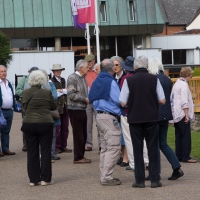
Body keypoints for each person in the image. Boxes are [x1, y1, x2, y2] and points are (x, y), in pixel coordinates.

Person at [120, 56, 166, 188]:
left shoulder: (129, 80)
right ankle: (154, 179)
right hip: (151, 118)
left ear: (134, 67)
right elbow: (162, 100)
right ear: (146, 67)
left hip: (135, 118)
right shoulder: (154, 79)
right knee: (152, 149)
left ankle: (139, 180)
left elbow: (122, 101)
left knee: (137, 149)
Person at [148, 57, 184, 180]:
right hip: (165, 114)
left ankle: (155, 172)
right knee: (163, 143)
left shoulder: (152, 79)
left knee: (154, 145)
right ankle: (176, 167)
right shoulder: (167, 79)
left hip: (155, 115)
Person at [89, 59, 122, 186]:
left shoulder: (96, 80)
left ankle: (104, 174)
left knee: (105, 147)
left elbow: (91, 97)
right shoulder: (110, 82)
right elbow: (119, 100)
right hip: (109, 117)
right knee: (113, 147)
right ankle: (107, 177)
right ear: (112, 69)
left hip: (99, 116)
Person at [21, 70, 57, 186]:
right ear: (43, 80)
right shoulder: (46, 92)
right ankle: (45, 179)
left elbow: (24, 106)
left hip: (29, 123)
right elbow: (53, 106)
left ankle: (33, 179)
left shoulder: (25, 92)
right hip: (45, 123)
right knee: (45, 151)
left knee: (32, 152)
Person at [119, 56, 149, 171]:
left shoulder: (126, 79)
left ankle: (133, 163)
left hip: (128, 112)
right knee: (145, 138)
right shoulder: (147, 78)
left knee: (130, 139)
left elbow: (122, 100)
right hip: (145, 112)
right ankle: (146, 160)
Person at [170, 67, 197, 163]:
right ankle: (186, 156)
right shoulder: (184, 85)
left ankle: (179, 155)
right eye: (191, 75)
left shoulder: (177, 83)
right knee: (185, 135)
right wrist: (186, 115)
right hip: (182, 114)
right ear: (188, 75)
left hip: (175, 113)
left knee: (179, 135)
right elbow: (184, 101)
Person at [67, 59, 91, 164]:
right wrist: (85, 99)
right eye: (87, 67)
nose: (89, 69)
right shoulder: (73, 78)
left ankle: (81, 155)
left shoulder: (83, 78)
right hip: (75, 109)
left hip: (81, 108)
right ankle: (78, 157)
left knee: (83, 134)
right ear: (80, 68)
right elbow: (71, 94)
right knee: (78, 135)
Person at [15, 66, 39, 152]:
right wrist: (28, 94)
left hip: (37, 105)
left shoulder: (40, 80)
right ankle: (26, 144)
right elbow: (18, 90)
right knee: (27, 124)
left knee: (38, 124)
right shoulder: (24, 79)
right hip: (26, 105)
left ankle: (36, 143)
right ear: (29, 72)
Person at [110, 56, 128, 167]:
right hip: (114, 109)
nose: (115, 67)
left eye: (117, 65)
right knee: (118, 134)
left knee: (125, 134)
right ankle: (121, 155)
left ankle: (126, 157)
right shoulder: (112, 77)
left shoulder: (125, 77)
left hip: (124, 108)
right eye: (113, 65)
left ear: (121, 65)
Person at [51, 64, 72, 154]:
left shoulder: (63, 80)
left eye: (59, 70)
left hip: (64, 106)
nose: (58, 72)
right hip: (57, 107)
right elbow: (53, 93)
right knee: (57, 128)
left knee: (65, 128)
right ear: (53, 72)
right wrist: (62, 90)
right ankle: (57, 146)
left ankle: (63, 146)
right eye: (56, 71)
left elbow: (67, 90)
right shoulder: (51, 81)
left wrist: (61, 90)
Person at [40, 70, 61, 161]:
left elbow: (55, 97)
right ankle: (43, 153)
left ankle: (52, 152)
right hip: (42, 113)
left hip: (51, 112)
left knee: (53, 134)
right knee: (42, 135)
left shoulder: (51, 84)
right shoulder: (37, 86)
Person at [84, 54, 101, 152]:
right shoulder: (84, 72)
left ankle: (101, 143)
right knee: (88, 123)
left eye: (90, 62)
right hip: (87, 100)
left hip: (97, 100)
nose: (88, 64)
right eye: (87, 62)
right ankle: (88, 144)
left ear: (93, 61)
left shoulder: (98, 71)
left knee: (99, 123)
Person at [0, 65, 16, 156]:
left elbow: (11, 95)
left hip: (9, 110)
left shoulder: (8, 83)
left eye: (4, 71)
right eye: (1, 71)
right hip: (0, 110)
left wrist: (13, 106)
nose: (3, 73)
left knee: (6, 131)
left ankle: (5, 149)